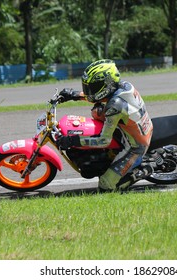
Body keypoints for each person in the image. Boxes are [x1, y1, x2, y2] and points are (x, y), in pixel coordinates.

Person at [56, 59, 154, 191]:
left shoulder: (115, 106)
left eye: (93, 87)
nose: (90, 90)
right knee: (97, 112)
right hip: (131, 125)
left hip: (135, 146)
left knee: (105, 186)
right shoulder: (123, 85)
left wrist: (73, 140)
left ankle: (142, 172)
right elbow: (100, 96)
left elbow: (103, 141)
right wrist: (75, 95)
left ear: (107, 84)